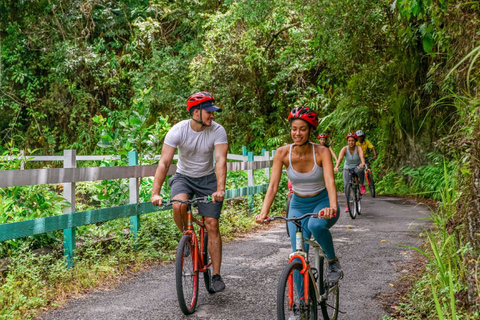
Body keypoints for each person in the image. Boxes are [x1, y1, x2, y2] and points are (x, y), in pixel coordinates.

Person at [255, 106, 343, 287]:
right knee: (298, 255)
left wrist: (332, 207)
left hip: (322, 202)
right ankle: (301, 306)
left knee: (315, 225)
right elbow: (273, 186)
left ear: (310, 130)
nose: (297, 133)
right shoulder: (282, 153)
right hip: (297, 204)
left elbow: (330, 182)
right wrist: (264, 212)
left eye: (303, 129)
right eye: (294, 129)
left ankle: (333, 263)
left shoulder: (321, 152)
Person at [151, 91, 228, 292]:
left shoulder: (218, 131)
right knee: (178, 205)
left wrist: (220, 189)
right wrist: (155, 192)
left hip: (208, 179)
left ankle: (217, 275)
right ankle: (186, 237)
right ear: (196, 112)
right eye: (209, 112)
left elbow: (220, 161)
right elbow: (164, 162)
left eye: (213, 112)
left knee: (211, 224)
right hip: (183, 177)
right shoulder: (178, 131)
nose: (212, 116)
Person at [334, 133, 366, 210]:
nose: (351, 142)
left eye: (352, 141)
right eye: (349, 141)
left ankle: (361, 185)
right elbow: (340, 158)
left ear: (355, 141)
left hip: (356, 166)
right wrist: (336, 166)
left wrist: (363, 163)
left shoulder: (358, 148)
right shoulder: (344, 149)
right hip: (347, 167)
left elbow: (362, 156)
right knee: (346, 186)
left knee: (361, 170)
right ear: (347, 141)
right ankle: (348, 204)